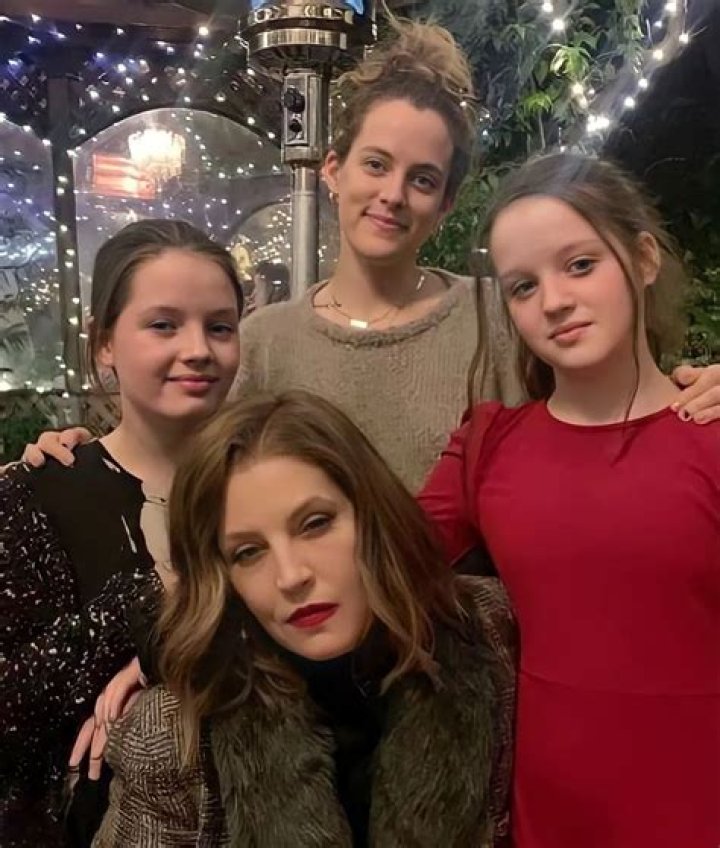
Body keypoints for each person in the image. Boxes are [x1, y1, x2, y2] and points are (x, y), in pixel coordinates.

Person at [20, 19, 720, 490]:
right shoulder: (263, 342)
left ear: (445, 202)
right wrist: (82, 457)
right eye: (376, 164)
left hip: (478, 645)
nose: (393, 195)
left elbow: (609, 404)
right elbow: (176, 461)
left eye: (423, 180)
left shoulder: (499, 313)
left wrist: (697, 391)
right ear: (333, 169)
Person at [419, 153, 720, 848]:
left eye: (580, 265)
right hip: (551, 814)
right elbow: (368, 560)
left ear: (643, 259)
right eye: (523, 286)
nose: (553, 301)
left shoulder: (708, 438)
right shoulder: (489, 446)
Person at [93, 391, 517, 847]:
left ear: (372, 515)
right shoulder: (172, 736)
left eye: (315, 524)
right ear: (223, 577)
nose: (291, 576)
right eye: (248, 552)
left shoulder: (492, 635)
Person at [0, 219, 243, 846]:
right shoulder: (37, 494)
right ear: (105, 343)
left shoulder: (272, 490)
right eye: (164, 325)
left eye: (220, 327)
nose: (198, 349)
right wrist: (143, 606)